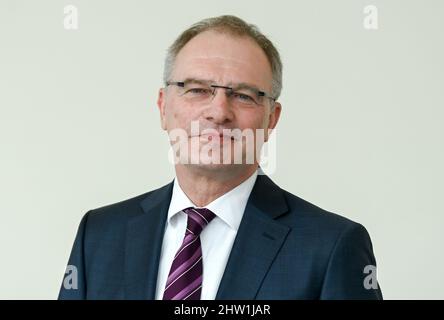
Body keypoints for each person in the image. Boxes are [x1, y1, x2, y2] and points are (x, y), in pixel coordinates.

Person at [58, 15, 382, 300]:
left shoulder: (332, 247)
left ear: (271, 119)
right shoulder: (98, 235)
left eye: (243, 95)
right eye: (197, 89)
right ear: (163, 107)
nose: (218, 112)